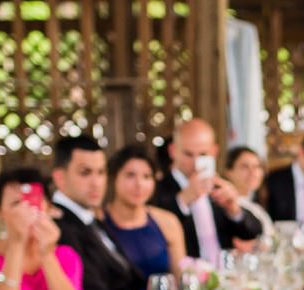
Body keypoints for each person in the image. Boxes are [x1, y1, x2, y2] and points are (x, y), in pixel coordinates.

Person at [50, 134, 142, 290]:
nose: (97, 183)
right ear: (60, 178)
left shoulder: (88, 217)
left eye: (101, 172)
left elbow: (127, 275)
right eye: (85, 173)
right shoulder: (58, 226)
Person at [152, 118, 263, 262]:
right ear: (173, 151)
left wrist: (234, 210)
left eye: (203, 154)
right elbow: (154, 235)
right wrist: (183, 200)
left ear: (214, 152)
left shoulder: (219, 185)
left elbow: (253, 232)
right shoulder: (157, 189)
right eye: (188, 154)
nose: (195, 162)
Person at [101, 146, 186, 278]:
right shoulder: (99, 221)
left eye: (147, 177)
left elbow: (181, 277)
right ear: (114, 177)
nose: (139, 184)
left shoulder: (168, 222)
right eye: (130, 175)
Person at [221, 145, 274, 242]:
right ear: (228, 172)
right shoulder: (224, 207)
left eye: (257, 166)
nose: (252, 172)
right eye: (245, 167)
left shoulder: (256, 204)